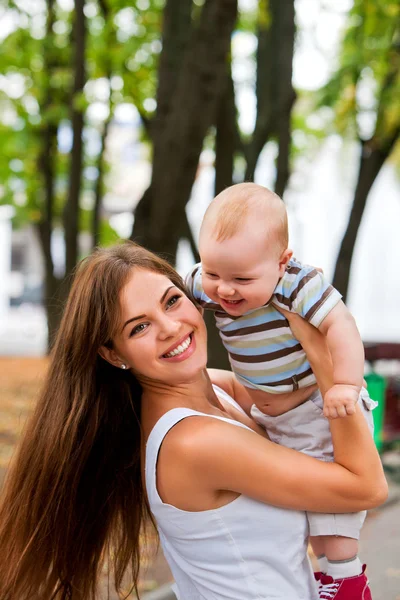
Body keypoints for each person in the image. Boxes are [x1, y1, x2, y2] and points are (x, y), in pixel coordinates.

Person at [0, 241, 387, 600]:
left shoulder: (217, 392)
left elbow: (296, 399)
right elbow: (366, 487)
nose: (170, 328)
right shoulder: (194, 441)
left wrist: (282, 297)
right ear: (112, 354)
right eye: (139, 327)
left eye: (171, 301)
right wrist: (321, 349)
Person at [186, 182, 378, 597]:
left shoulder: (298, 284)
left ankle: (347, 582)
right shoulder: (210, 281)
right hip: (272, 416)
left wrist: (343, 384)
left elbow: (340, 325)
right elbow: (180, 298)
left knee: (333, 505)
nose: (225, 290)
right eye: (213, 273)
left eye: (242, 278)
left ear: (282, 261)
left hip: (318, 407)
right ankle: (326, 576)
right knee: (304, 506)